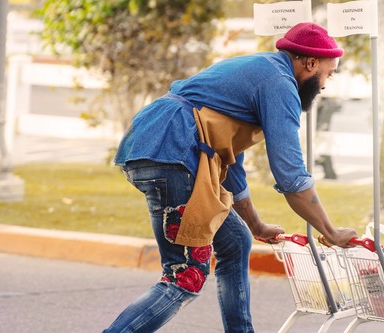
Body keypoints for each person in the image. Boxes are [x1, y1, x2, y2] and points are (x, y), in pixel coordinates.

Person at [104, 22, 357, 333]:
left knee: (236, 240)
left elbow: (229, 164)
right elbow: (290, 174)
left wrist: (256, 225)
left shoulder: (263, 71)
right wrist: (330, 232)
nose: (324, 85)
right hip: (172, 153)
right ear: (310, 62)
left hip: (161, 148)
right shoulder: (279, 83)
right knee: (184, 276)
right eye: (327, 74)